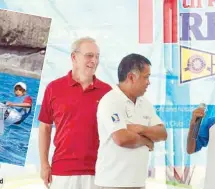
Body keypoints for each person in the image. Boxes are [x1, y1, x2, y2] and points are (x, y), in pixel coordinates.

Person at [38, 37, 111, 189]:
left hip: (99, 172)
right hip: (62, 173)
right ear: (74, 57)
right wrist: (44, 165)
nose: (94, 61)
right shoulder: (54, 88)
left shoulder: (107, 92)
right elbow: (45, 128)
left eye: (97, 56)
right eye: (89, 55)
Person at [95, 53, 167, 189]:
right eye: (146, 77)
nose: (148, 82)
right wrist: (146, 140)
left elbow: (162, 133)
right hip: (112, 183)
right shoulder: (111, 101)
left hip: (138, 183)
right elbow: (122, 138)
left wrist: (140, 129)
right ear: (131, 77)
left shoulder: (145, 103)